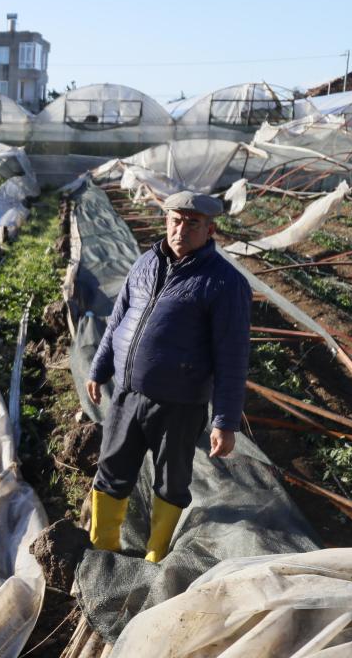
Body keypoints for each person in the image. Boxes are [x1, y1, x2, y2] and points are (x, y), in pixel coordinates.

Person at [84, 190, 251, 562]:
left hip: (180, 403)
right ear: (166, 222)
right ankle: (103, 549)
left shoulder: (225, 283)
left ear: (210, 230)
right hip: (127, 395)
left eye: (193, 223)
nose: (182, 229)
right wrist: (99, 367)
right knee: (112, 469)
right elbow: (118, 319)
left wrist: (224, 421)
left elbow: (233, 356)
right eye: (176, 220)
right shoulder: (144, 264)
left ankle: (156, 554)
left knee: (170, 480)